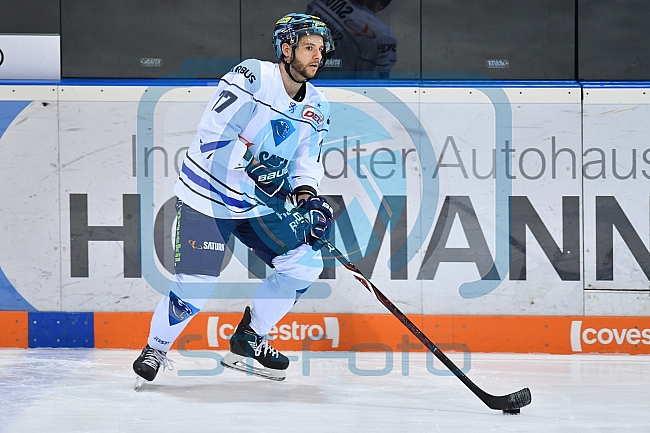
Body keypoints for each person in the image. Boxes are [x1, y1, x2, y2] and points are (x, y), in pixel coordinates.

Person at [132, 13, 335, 385]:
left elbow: (308, 163)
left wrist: (309, 199)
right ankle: (157, 347)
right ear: (286, 49)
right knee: (195, 286)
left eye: (320, 49)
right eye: (309, 47)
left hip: (257, 205)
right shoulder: (253, 77)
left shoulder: (318, 107)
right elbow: (213, 134)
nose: (317, 56)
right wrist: (254, 165)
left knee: (305, 265)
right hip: (207, 196)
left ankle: (250, 337)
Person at [306, 0, 396, 77]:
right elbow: (374, 87)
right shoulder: (381, 35)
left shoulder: (320, 2)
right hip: (338, 92)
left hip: (304, 82)